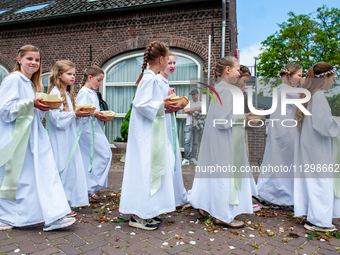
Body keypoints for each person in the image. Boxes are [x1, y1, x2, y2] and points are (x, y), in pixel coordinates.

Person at [0, 45, 75, 231]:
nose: (34, 63)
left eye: (37, 60)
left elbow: (32, 111)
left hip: (32, 135)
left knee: (39, 175)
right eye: (29, 59)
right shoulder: (13, 80)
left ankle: (51, 214)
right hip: (17, 136)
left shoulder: (30, 83)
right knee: (19, 178)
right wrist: (31, 103)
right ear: (19, 60)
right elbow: (5, 109)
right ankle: (13, 217)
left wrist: (43, 107)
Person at [188, 56, 256, 228]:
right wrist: (243, 118)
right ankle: (222, 215)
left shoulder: (220, 88)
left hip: (216, 138)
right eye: (237, 69)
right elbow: (222, 120)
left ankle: (207, 205)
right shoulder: (226, 90)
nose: (239, 73)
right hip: (223, 140)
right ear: (228, 70)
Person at [119, 41, 178, 230]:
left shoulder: (151, 77)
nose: (168, 62)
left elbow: (152, 103)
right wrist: (162, 104)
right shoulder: (149, 78)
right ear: (161, 59)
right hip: (145, 136)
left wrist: (164, 104)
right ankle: (138, 215)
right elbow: (141, 104)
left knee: (152, 170)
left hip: (152, 131)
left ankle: (147, 210)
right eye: (167, 59)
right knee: (145, 170)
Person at [294, 62, 339, 232]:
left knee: (314, 180)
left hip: (310, 144)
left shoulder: (310, 95)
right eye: (333, 78)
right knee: (320, 180)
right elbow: (324, 126)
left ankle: (314, 216)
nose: (333, 82)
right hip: (317, 146)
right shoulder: (318, 96)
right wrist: (336, 124)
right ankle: (319, 220)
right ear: (325, 77)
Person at [255, 64, 302, 207]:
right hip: (286, 132)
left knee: (275, 161)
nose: (301, 79)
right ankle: (284, 196)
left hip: (279, 130)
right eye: (299, 75)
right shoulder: (289, 91)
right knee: (285, 163)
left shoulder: (280, 90)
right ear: (289, 75)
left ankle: (268, 193)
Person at [47, 61, 91, 214]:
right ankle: (61, 204)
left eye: (74, 74)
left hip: (68, 136)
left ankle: (68, 200)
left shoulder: (66, 93)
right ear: (59, 75)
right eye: (69, 74)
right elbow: (56, 119)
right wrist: (74, 114)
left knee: (71, 168)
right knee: (62, 167)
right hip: (60, 138)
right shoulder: (55, 92)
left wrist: (79, 114)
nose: (73, 77)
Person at [157, 52, 188, 207]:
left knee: (174, 156)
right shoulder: (157, 80)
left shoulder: (166, 82)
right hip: (161, 125)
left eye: (174, 63)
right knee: (167, 158)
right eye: (169, 63)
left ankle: (175, 195)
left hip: (168, 123)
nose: (172, 66)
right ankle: (167, 198)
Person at [76, 66, 112, 200]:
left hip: (95, 128)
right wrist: (95, 114)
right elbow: (80, 111)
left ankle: (89, 187)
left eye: (102, 81)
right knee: (103, 155)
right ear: (89, 78)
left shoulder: (92, 93)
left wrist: (98, 115)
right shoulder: (84, 92)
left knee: (96, 157)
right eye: (99, 80)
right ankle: (89, 187)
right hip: (87, 131)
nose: (100, 83)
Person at [182, 89, 202, 165]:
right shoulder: (189, 103)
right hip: (189, 124)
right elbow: (186, 111)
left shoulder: (201, 103)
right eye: (192, 95)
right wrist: (196, 109)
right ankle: (186, 159)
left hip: (197, 125)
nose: (193, 96)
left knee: (195, 142)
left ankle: (193, 158)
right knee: (187, 142)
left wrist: (192, 111)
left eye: (194, 94)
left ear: (197, 94)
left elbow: (203, 113)